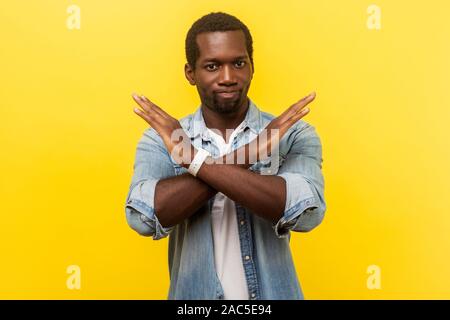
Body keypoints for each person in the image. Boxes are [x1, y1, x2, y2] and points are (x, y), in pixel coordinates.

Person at [125, 12, 326, 300]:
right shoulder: (162, 138)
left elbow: (306, 212)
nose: (228, 77)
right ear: (190, 73)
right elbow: (144, 219)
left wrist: (192, 160)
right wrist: (250, 153)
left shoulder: (291, 134)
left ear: (252, 67)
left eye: (239, 63)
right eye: (212, 66)